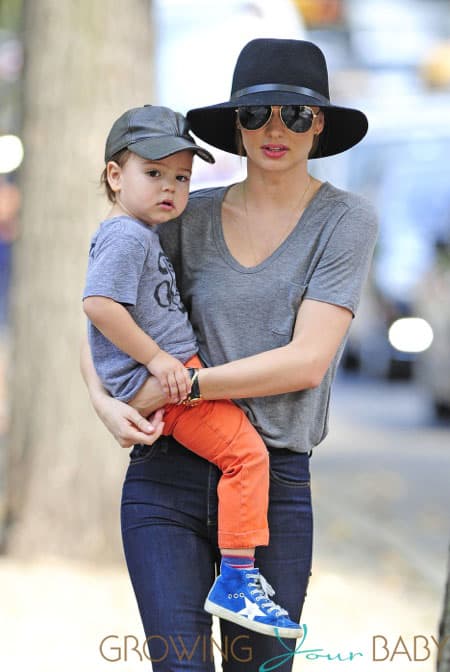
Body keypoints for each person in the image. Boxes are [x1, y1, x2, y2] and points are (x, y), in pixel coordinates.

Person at [81, 39, 378, 671]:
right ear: (236, 126)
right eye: (256, 115)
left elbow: (305, 361)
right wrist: (105, 406)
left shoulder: (346, 221)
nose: (275, 130)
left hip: (273, 480)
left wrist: (184, 387)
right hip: (167, 476)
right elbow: (99, 312)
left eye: (294, 115)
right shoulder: (183, 213)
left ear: (318, 124)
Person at [83, 104, 303, 639]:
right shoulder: (125, 236)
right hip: (171, 380)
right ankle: (238, 579)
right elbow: (99, 306)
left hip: (177, 373)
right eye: (153, 173)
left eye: (181, 177)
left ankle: (237, 574)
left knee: (241, 451)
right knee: (247, 454)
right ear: (115, 175)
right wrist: (158, 362)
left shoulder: (142, 233)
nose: (170, 188)